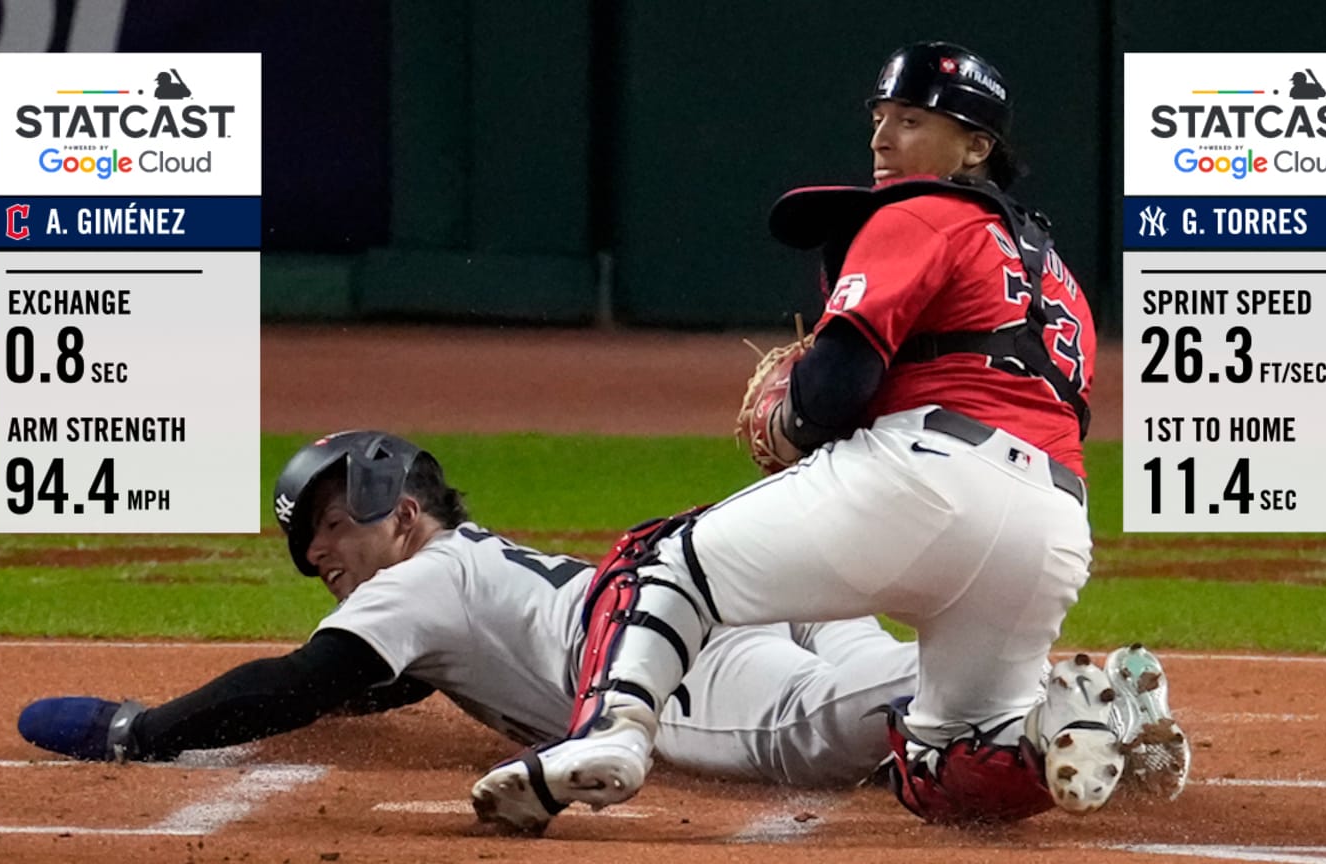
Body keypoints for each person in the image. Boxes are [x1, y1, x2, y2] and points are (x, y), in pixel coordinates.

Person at [470, 41, 1189, 832]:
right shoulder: (1056, 274)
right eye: (880, 117)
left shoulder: (916, 210)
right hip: (1051, 525)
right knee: (944, 766)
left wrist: (792, 417)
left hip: (925, 479)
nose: (882, 138)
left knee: (657, 563)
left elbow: (835, 389)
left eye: (911, 120)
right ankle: (1067, 723)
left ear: (975, 147)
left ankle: (612, 734)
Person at [16, 430, 919, 788]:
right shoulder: (470, 564)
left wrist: (138, 730)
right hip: (735, 612)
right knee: (905, 685)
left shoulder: (423, 579)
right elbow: (388, 682)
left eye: (332, 526)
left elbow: (301, 681)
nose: (318, 555)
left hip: (686, 671)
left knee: (864, 718)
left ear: (403, 516)